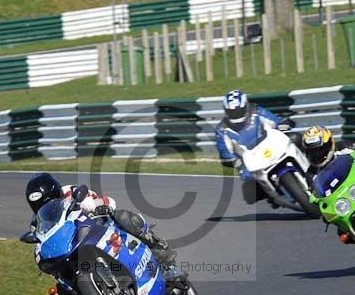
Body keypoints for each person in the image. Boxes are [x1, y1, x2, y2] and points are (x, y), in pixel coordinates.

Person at [19, 172, 177, 268]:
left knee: (123, 217)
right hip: (75, 246)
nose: (49, 207)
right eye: (41, 206)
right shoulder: (37, 222)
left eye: (51, 201)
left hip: (101, 228)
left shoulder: (71, 192)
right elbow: (41, 243)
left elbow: (109, 202)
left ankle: (155, 245)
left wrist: (93, 204)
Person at [214, 89, 296, 207]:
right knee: (249, 192)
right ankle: (273, 195)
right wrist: (233, 161)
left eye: (238, 110)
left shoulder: (256, 112)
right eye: (232, 112)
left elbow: (275, 121)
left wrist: (283, 125)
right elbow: (225, 152)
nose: (236, 114)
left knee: (296, 138)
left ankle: (312, 169)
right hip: (250, 165)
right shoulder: (221, 130)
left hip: (272, 148)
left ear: (246, 106)